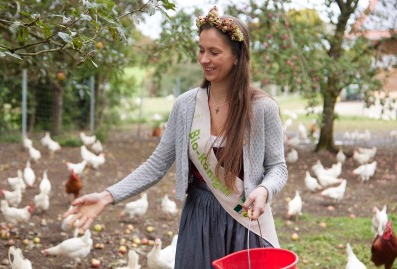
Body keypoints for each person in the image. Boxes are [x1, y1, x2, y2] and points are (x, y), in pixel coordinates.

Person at [64, 6, 287, 269]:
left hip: (244, 220)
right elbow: (156, 164)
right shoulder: (186, 106)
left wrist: (263, 189)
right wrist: (107, 196)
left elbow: (277, 168)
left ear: (237, 56)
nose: (204, 59)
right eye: (201, 50)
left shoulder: (261, 108)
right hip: (198, 220)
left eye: (214, 52)